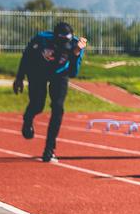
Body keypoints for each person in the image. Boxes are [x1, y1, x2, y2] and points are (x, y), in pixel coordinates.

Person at [13, 21, 86, 163]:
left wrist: (75, 54)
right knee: (38, 104)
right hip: (38, 71)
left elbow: (72, 73)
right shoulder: (41, 39)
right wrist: (19, 77)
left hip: (60, 74)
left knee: (58, 108)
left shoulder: (76, 45)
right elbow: (26, 57)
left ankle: (49, 149)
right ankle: (28, 119)